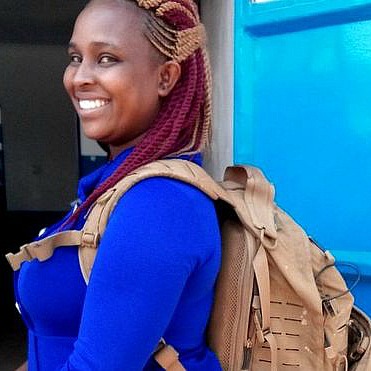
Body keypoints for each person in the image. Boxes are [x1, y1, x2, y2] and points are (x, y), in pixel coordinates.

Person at [13, 0, 222, 369]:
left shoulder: (161, 203)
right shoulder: (113, 188)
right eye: (76, 57)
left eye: (106, 58)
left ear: (165, 78)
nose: (79, 77)